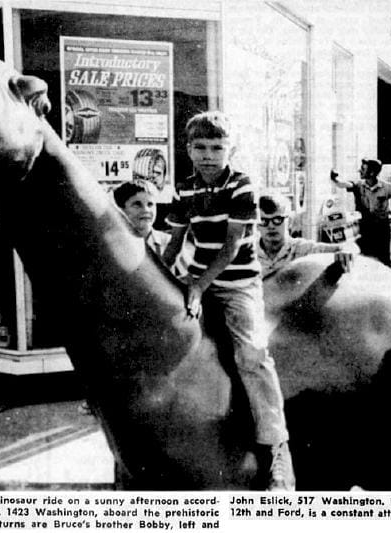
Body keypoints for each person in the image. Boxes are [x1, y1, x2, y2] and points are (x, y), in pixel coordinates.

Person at [162, 111, 294, 491]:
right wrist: (164, 274)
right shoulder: (183, 189)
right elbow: (174, 242)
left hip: (236, 284)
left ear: (229, 149)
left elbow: (231, 245)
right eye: (200, 147)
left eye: (217, 148)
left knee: (252, 354)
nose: (208, 155)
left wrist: (199, 287)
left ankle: (276, 446)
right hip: (197, 278)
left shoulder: (241, 186)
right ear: (188, 149)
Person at [257, 193, 358, 280]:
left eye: (277, 220)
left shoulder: (302, 249)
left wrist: (348, 251)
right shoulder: (246, 254)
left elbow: (347, 247)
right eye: (263, 221)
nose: (270, 226)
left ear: (290, 221)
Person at [331, 158, 391, 265]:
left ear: (372, 173)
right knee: (365, 259)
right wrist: (335, 178)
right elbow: (345, 184)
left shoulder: (386, 187)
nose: (360, 171)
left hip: (382, 229)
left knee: (382, 260)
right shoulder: (359, 185)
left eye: (363, 169)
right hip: (365, 228)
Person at [113, 180, 170, 256]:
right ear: (122, 210)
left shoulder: (169, 242)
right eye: (137, 204)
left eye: (150, 204)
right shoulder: (113, 245)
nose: (146, 210)